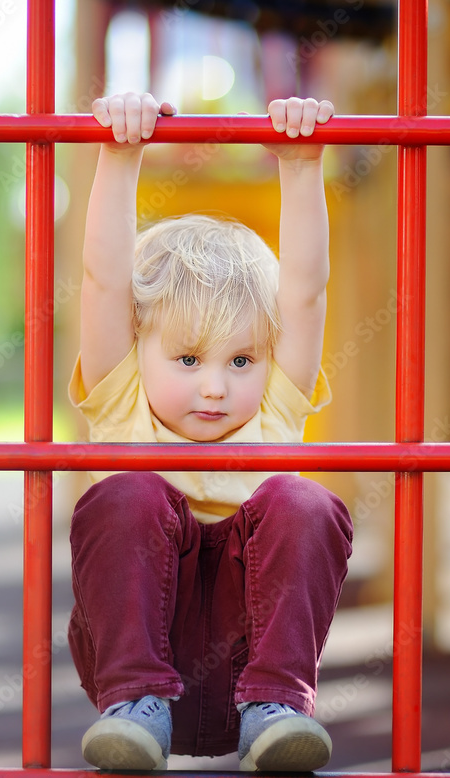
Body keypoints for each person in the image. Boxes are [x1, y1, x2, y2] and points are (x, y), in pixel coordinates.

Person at [66, 91, 354, 772]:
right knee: (124, 495)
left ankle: (277, 709)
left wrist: (302, 164)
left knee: (306, 500)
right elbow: (104, 283)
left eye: (242, 360)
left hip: (250, 665)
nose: (217, 386)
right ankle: (135, 707)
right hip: (136, 663)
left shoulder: (274, 409)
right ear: (140, 348)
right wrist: (119, 153)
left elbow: (307, 292)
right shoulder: (122, 400)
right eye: (189, 360)